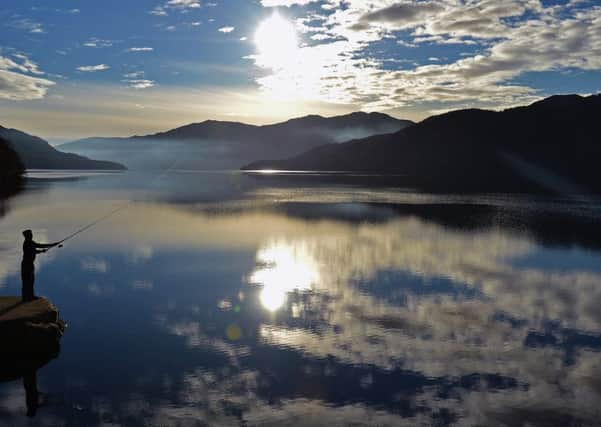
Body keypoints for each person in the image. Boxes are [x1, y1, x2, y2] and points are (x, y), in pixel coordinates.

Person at [21, 230, 60, 302]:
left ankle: (30, 296)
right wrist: (53, 244)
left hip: (28, 264)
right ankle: (27, 297)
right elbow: (40, 246)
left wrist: (41, 251)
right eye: (30, 234)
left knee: (30, 281)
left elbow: (34, 251)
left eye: (31, 234)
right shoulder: (29, 242)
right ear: (27, 236)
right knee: (27, 281)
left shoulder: (29, 242)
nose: (31, 235)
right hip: (27, 264)